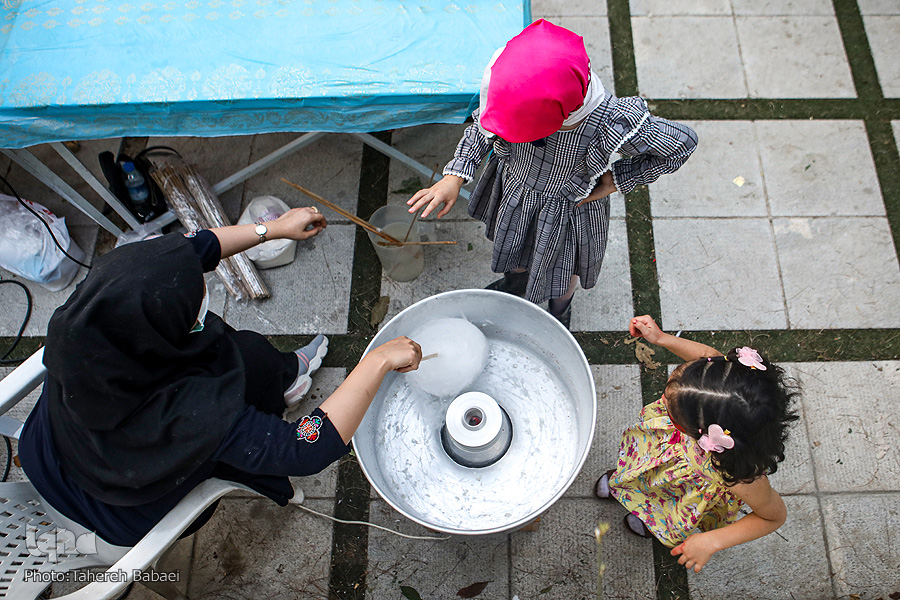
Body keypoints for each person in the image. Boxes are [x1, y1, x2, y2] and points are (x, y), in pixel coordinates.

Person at [19, 207, 422, 547]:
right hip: (117, 503)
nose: (202, 302)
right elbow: (303, 449)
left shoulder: (96, 312)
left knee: (242, 352)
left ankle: (285, 377)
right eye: (192, 308)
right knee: (233, 372)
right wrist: (376, 361)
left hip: (53, 444)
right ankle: (272, 401)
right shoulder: (188, 412)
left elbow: (196, 247)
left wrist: (273, 229)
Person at [406, 20, 697, 328]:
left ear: (564, 115)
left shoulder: (610, 121)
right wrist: (454, 175)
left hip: (568, 211)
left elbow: (683, 144)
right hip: (518, 195)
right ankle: (516, 284)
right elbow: (484, 125)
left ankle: (559, 311)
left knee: (563, 270)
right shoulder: (514, 85)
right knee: (517, 248)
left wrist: (616, 179)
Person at [594, 315, 800, 572]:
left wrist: (712, 541)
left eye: (671, 407)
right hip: (662, 453)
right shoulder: (718, 383)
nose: (664, 397)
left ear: (699, 432)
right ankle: (629, 482)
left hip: (685, 491)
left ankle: (652, 520)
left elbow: (773, 517)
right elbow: (709, 356)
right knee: (642, 469)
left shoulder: (739, 475)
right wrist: (662, 339)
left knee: (667, 506)